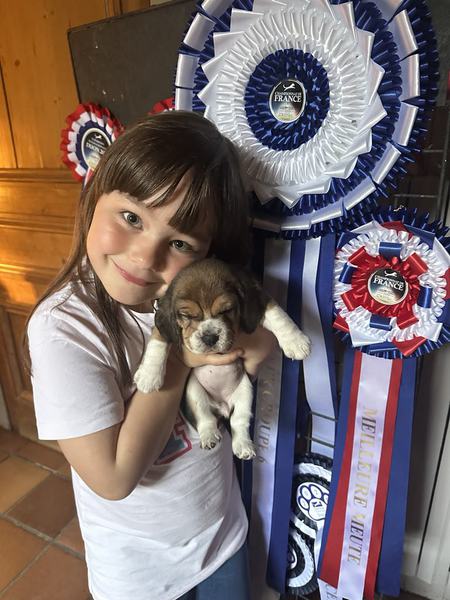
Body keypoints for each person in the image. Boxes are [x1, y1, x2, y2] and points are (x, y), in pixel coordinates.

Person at [26, 111, 275, 600]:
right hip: (142, 578)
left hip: (221, 537)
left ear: (209, 255)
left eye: (179, 242)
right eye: (131, 217)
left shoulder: (204, 296)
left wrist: (244, 342)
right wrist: (181, 356)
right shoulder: (64, 328)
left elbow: (260, 344)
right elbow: (113, 478)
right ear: (94, 196)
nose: (145, 256)